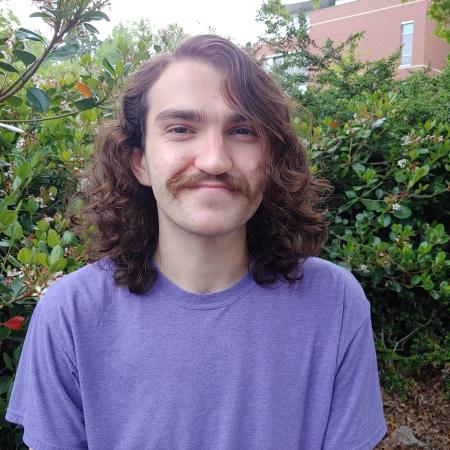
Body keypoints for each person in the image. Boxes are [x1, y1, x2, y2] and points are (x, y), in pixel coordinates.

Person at [6, 34, 387, 450]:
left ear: (271, 160)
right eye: (181, 129)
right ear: (140, 162)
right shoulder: (70, 315)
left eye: (243, 130)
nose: (214, 160)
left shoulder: (334, 305)